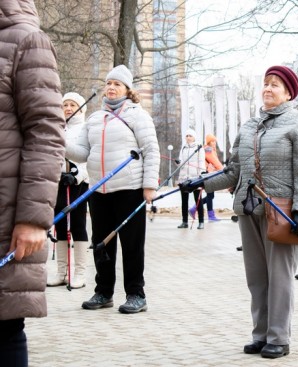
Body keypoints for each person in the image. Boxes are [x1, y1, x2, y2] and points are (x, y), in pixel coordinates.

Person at [192, 65, 298, 358]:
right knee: (257, 278)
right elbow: (234, 171)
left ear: (288, 92)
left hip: (281, 211)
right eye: (266, 83)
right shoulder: (249, 126)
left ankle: (279, 337)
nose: (268, 89)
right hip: (249, 210)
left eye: (275, 85)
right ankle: (261, 334)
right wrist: (200, 183)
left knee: (280, 278)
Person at [0, 1, 66, 364]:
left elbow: (46, 133)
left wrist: (33, 219)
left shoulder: (26, 39)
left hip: (6, 217)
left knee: (4, 325)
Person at [66, 64, 160, 314]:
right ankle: (103, 292)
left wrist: (150, 186)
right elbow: (83, 153)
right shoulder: (95, 118)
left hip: (129, 189)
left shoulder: (138, 115)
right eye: (108, 83)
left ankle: (136, 294)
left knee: (132, 245)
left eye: (117, 84)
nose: (111, 87)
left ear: (127, 90)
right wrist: (60, 142)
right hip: (99, 191)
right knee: (101, 243)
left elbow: (151, 150)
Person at [47, 93, 90, 289]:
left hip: (78, 183)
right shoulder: (57, 128)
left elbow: (89, 157)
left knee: (78, 225)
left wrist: (76, 175)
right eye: (65, 104)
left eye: (73, 105)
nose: (69, 108)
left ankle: (79, 273)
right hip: (58, 182)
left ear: (81, 109)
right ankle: (61, 272)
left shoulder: (85, 128)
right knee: (60, 226)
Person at [189, 134, 223, 222]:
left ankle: (194, 209)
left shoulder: (210, 150)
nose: (214, 143)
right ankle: (210, 215)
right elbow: (215, 162)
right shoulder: (208, 149)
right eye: (212, 141)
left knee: (210, 195)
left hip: (210, 174)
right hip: (209, 175)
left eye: (215, 141)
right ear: (208, 142)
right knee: (210, 195)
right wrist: (223, 170)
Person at [177, 129, 205, 229]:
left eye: (190, 136)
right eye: (187, 136)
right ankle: (184, 222)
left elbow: (201, 161)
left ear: (194, 137)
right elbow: (181, 162)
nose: (188, 137)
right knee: (184, 201)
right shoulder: (183, 148)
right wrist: (178, 162)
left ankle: (201, 222)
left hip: (195, 178)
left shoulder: (199, 147)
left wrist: (202, 174)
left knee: (198, 200)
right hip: (184, 178)